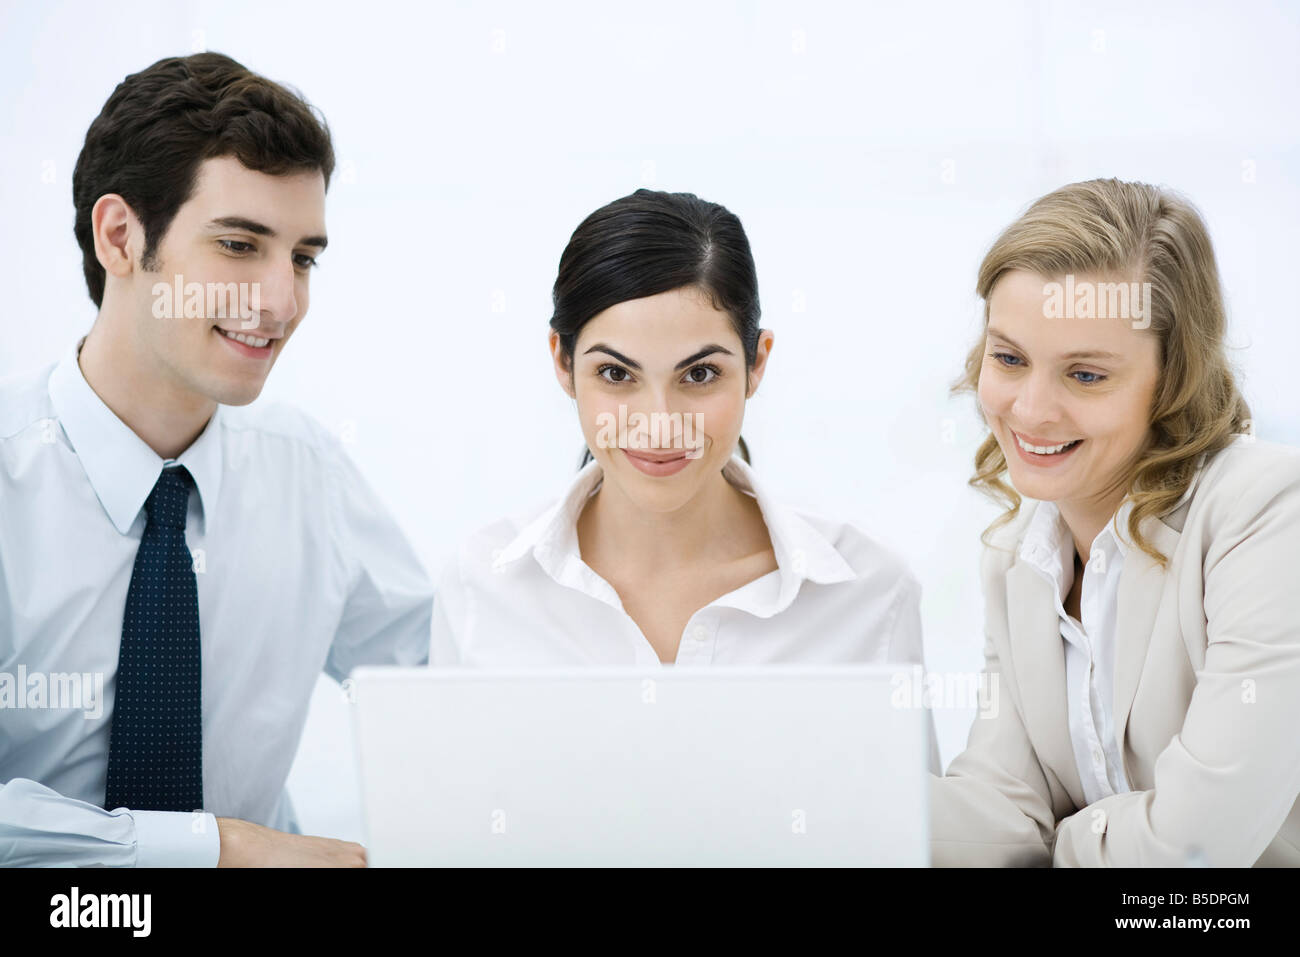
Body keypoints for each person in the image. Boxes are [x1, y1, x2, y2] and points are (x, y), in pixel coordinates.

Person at [0, 53, 434, 867]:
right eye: (240, 245)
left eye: (303, 258)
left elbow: (447, 690)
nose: (282, 302)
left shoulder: (308, 476)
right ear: (121, 237)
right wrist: (212, 849)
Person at [430, 188, 939, 771]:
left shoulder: (869, 594)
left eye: (699, 374)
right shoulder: (482, 585)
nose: (660, 424)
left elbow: (903, 843)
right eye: (615, 373)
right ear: (562, 364)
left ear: (757, 364)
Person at [930, 178, 1300, 866]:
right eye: (1009, 359)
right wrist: (821, 802)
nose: (1031, 410)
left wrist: (1068, 836)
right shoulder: (1017, 556)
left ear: (1172, 379)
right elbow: (1003, 814)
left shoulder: (1267, 511)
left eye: (1086, 375)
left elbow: (1197, 846)